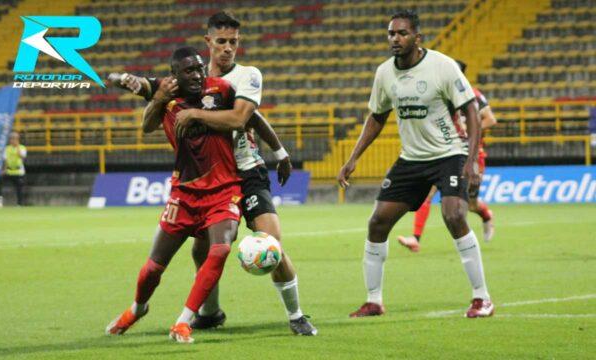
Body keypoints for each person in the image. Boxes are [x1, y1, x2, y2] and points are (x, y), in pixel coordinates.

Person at [108, 11, 316, 336]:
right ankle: (209, 312)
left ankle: (296, 315)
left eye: (233, 42)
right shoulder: (186, 81)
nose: (228, 48)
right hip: (205, 177)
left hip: (246, 172)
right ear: (208, 43)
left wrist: (279, 152)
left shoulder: (245, 77)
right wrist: (126, 79)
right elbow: (151, 90)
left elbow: (246, 119)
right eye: (221, 42)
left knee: (271, 245)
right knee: (201, 251)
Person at [337, 10, 494, 319]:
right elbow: (377, 117)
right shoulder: (384, 73)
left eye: (402, 33)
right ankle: (374, 301)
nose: (395, 39)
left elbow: (472, 111)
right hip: (412, 159)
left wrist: (472, 160)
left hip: (449, 153)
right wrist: (353, 158)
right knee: (378, 222)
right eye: (391, 34)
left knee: (454, 214)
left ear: (417, 38)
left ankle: (482, 298)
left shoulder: (443, 67)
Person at [106, 47, 244, 344]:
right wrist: (148, 93)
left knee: (219, 250)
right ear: (175, 76)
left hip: (224, 190)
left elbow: (246, 117)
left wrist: (279, 151)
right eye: (189, 71)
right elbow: (145, 124)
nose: (197, 75)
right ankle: (137, 309)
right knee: (152, 268)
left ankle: (183, 322)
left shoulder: (222, 90)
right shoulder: (165, 93)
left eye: (199, 68)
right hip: (184, 195)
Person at [397, 60, 498, 252]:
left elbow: (490, 119)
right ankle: (415, 238)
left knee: (470, 203)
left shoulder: (474, 95)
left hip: (472, 154)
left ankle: (485, 215)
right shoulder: (440, 96)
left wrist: (469, 131)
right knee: (428, 193)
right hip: (447, 152)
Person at [0, 132, 27, 207]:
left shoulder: (22, 147)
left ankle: (19, 204)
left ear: (17, 139)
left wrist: (18, 149)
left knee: (19, 186)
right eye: (11, 139)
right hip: (9, 171)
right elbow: (5, 160)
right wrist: (4, 170)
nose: (12, 140)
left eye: (14, 139)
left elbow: (23, 157)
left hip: (18, 172)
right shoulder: (7, 148)